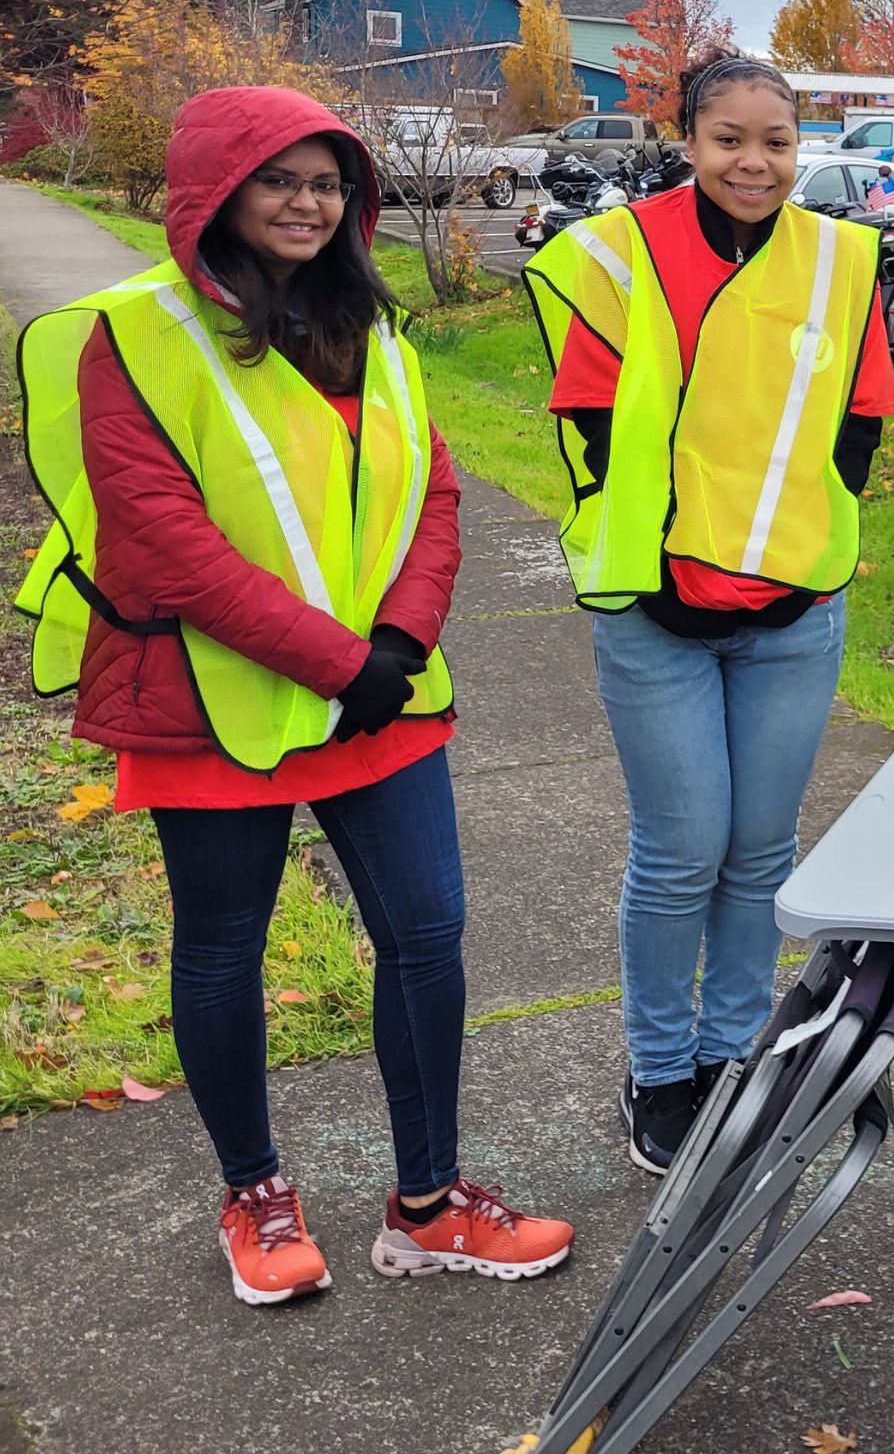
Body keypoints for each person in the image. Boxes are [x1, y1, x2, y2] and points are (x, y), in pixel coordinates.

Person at [14, 86, 573, 1304]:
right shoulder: (136, 336)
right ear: (216, 190)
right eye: (279, 179)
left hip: (383, 698)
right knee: (225, 949)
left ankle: (428, 1203)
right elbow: (161, 541)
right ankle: (255, 1194)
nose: (307, 203)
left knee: (427, 939)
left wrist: (400, 643)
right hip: (211, 701)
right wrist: (342, 662)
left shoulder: (374, 330)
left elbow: (433, 493)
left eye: (327, 183)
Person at [524, 53, 894, 1173]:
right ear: (685, 138)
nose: (755, 160)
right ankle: (659, 1065)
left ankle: (736, 1052)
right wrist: (671, 563)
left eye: (777, 141)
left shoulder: (844, 258)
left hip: (792, 606)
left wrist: (791, 549)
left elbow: (860, 419)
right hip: (654, 606)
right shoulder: (618, 251)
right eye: (730, 137)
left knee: (761, 852)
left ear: (800, 146)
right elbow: (589, 423)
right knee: (683, 848)